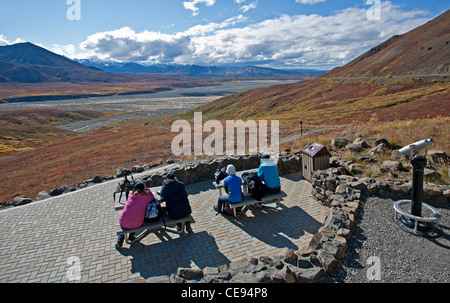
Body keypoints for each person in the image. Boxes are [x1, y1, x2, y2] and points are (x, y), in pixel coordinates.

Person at [116, 182, 155, 249]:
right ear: (144, 189)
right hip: (136, 224)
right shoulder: (145, 198)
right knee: (134, 222)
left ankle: (119, 242)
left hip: (122, 221)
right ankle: (131, 236)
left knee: (125, 227)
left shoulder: (130, 195)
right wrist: (148, 189)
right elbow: (152, 197)